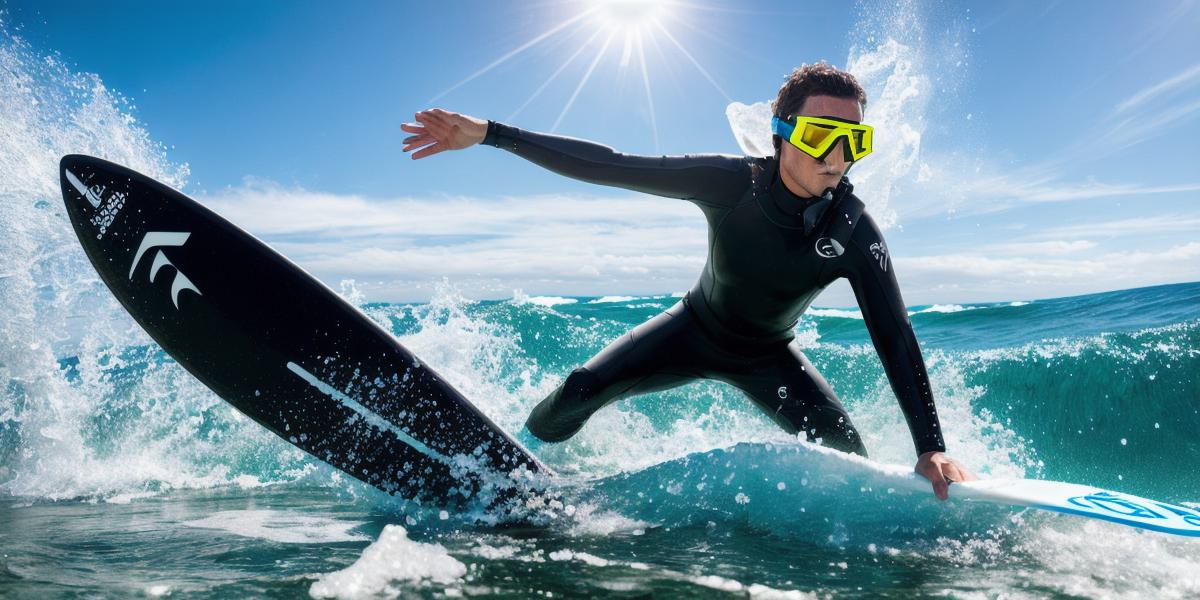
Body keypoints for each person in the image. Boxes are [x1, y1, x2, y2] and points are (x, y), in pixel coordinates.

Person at [401, 62, 975, 500]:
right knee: (578, 391)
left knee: (847, 454)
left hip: (768, 356)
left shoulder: (853, 232)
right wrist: (492, 134)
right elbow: (611, 163)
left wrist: (931, 448)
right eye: (821, 133)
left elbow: (894, 334)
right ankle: (514, 467)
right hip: (692, 330)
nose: (837, 155)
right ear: (781, 134)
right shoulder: (730, 184)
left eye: (854, 140)